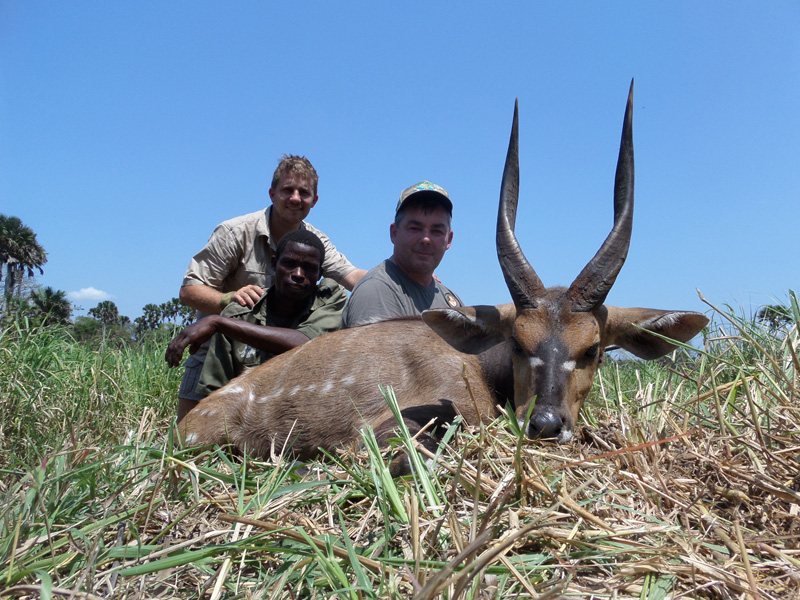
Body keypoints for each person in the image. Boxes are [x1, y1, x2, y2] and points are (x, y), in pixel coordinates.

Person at [176, 155, 365, 419]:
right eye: (288, 190)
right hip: (220, 350)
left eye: (304, 192)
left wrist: (401, 280)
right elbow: (189, 290)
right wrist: (227, 300)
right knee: (191, 433)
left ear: (315, 200)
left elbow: (354, 276)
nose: (295, 198)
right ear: (272, 193)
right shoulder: (235, 232)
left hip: (284, 353)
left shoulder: (315, 243)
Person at [167, 230, 346, 419]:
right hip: (247, 421)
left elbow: (307, 344)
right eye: (289, 264)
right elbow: (215, 393)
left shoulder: (330, 300)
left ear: (320, 273)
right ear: (274, 263)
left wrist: (217, 322)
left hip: (309, 418)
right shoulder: (238, 315)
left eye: (309, 268)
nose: (298, 274)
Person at [342, 180, 463, 328]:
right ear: (394, 233)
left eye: (436, 231)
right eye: (415, 228)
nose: (426, 239)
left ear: (449, 240)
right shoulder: (377, 291)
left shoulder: (451, 301)